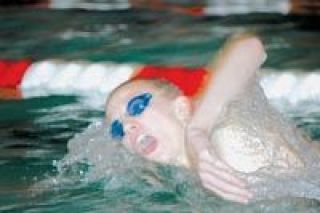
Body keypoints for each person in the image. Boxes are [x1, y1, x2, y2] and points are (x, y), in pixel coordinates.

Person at [104, 34, 320, 203]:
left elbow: (250, 46)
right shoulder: (177, 175)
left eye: (136, 107)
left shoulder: (229, 141)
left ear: (181, 108)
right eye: (117, 128)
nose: (127, 127)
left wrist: (197, 130)